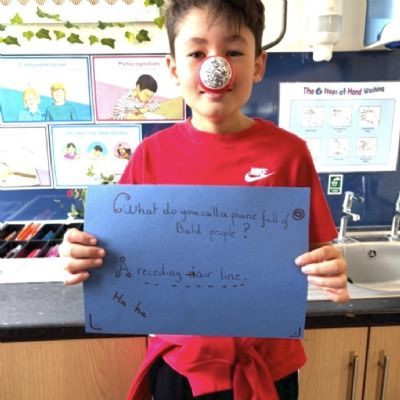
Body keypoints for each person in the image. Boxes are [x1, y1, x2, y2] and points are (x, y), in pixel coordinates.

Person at [60, 1, 349, 399]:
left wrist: (329, 267)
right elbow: (112, 254)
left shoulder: (289, 153)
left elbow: (317, 251)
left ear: (259, 64)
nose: (217, 68)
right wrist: (81, 253)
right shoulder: (149, 157)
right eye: (197, 53)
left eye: (234, 52)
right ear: (174, 68)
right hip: (180, 366)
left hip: (267, 367)